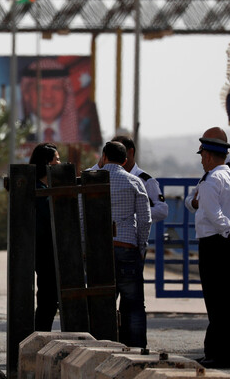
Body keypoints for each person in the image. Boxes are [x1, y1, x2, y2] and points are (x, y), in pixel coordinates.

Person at [188, 129, 230, 369]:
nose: (201, 160)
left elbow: (213, 214)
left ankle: (218, 354)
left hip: (214, 244)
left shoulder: (210, 180)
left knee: (216, 300)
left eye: (202, 155)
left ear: (208, 156)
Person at [101, 141, 151, 348]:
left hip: (100, 250)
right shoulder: (134, 181)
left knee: (102, 302)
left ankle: (103, 345)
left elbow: (81, 216)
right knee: (134, 304)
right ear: (124, 160)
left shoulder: (92, 181)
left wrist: (86, 247)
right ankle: (137, 350)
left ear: (103, 157)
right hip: (127, 247)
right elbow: (145, 219)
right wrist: (141, 247)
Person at [19, 57, 102, 147]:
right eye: (40, 88)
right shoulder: (11, 133)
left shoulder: (85, 132)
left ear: (66, 93)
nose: (48, 95)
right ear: (27, 93)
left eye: (56, 88)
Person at [29, 143, 61, 331]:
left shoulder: (44, 188)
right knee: (48, 299)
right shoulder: (39, 191)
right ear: (47, 164)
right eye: (56, 159)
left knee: (48, 299)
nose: (59, 163)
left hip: (45, 252)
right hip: (44, 252)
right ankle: (40, 335)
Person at [111, 135, 169, 231]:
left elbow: (162, 210)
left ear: (131, 152)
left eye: (119, 152)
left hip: (133, 236)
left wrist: (134, 215)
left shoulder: (145, 181)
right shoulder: (109, 178)